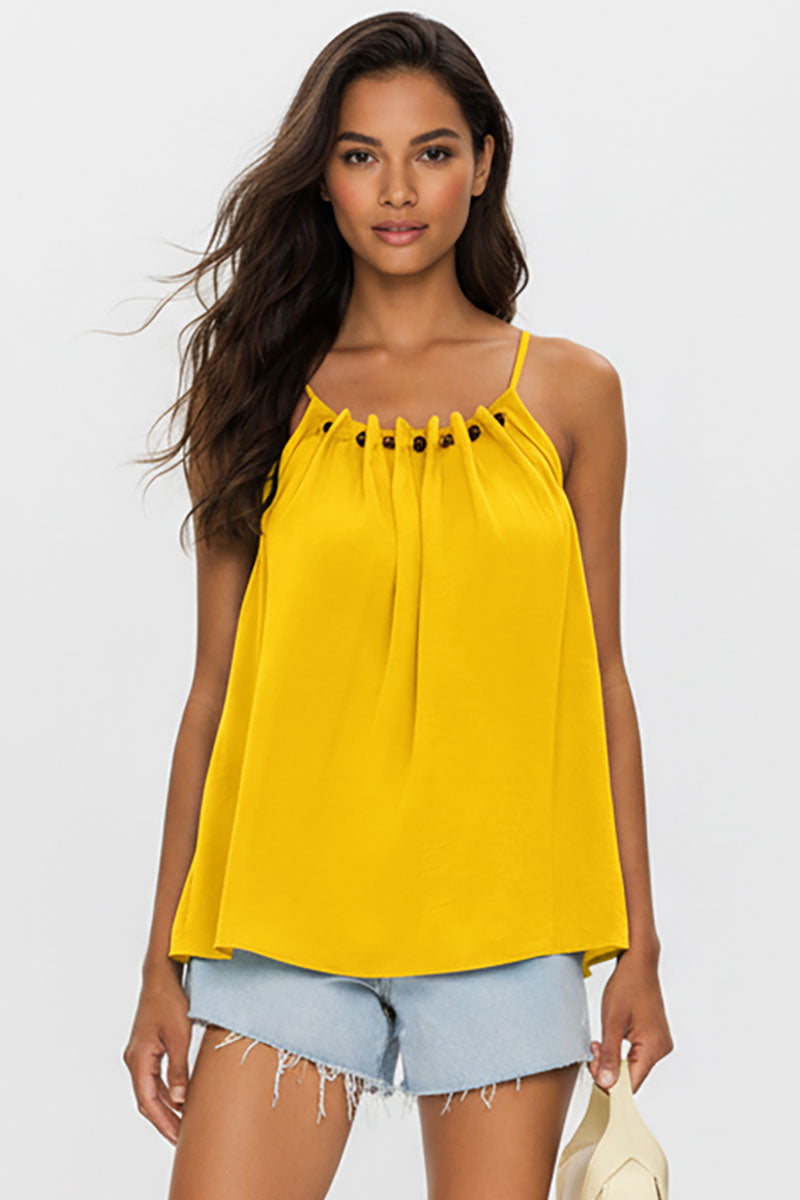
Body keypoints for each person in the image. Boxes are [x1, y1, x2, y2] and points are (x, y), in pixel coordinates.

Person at [122, 12, 673, 1199]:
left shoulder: (569, 393)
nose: (397, 190)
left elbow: (601, 677)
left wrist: (637, 947)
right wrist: (162, 963)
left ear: (480, 164)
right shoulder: (256, 393)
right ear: (321, 177)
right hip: (282, 924)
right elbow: (213, 690)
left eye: (430, 151)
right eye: (359, 154)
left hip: (506, 922)